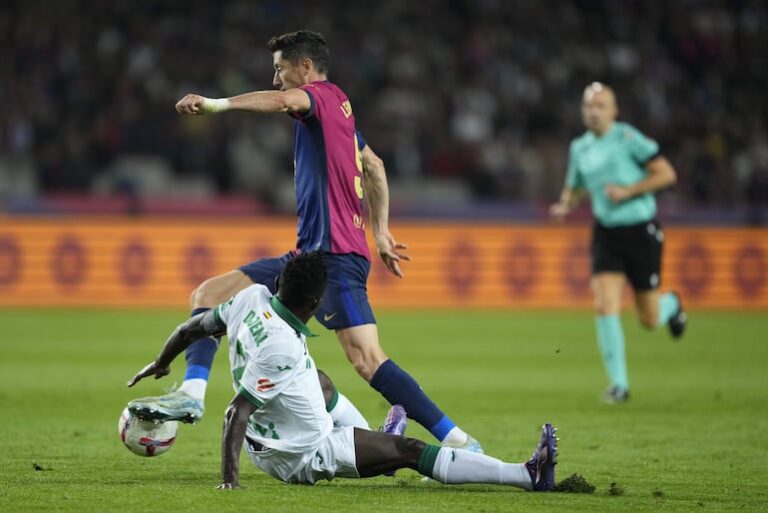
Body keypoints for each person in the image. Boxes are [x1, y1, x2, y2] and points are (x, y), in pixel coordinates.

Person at [128, 30, 482, 451]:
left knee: (367, 360)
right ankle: (192, 394)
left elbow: (282, 101)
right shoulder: (340, 116)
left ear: (306, 69)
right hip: (307, 257)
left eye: (280, 69)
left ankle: (460, 442)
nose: (276, 79)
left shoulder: (323, 97)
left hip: (335, 257)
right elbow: (375, 166)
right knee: (209, 293)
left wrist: (215, 104)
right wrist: (381, 232)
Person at [128, 252, 557, 490]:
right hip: (302, 454)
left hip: (268, 431)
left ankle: (375, 442)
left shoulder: (251, 297)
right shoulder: (283, 348)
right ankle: (524, 474)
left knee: (318, 381)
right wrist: (229, 483)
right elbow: (234, 413)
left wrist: (163, 361)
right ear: (315, 306)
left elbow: (191, 327)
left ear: (279, 285)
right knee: (408, 450)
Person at [550, 82, 688, 403]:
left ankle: (673, 305)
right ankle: (619, 385)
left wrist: (629, 191)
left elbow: (667, 174)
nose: (594, 112)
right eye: (589, 106)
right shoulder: (579, 148)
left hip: (641, 230)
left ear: (614, 111)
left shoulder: (628, 139)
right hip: (606, 233)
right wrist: (564, 205)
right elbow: (574, 187)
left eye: (601, 106)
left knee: (649, 318)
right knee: (604, 303)